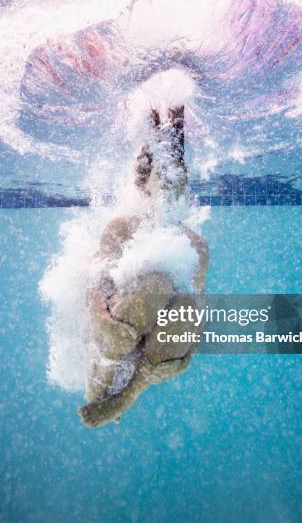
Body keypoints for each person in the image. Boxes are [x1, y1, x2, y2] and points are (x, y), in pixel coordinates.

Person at [79, 104, 208, 427]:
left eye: (178, 175)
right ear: (146, 181)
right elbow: (97, 276)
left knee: (187, 307)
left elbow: (198, 298)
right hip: (118, 321)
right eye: (161, 174)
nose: (170, 183)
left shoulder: (195, 243)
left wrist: (190, 343)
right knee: (156, 285)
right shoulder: (122, 225)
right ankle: (107, 373)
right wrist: (101, 311)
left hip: (157, 343)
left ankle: (131, 392)